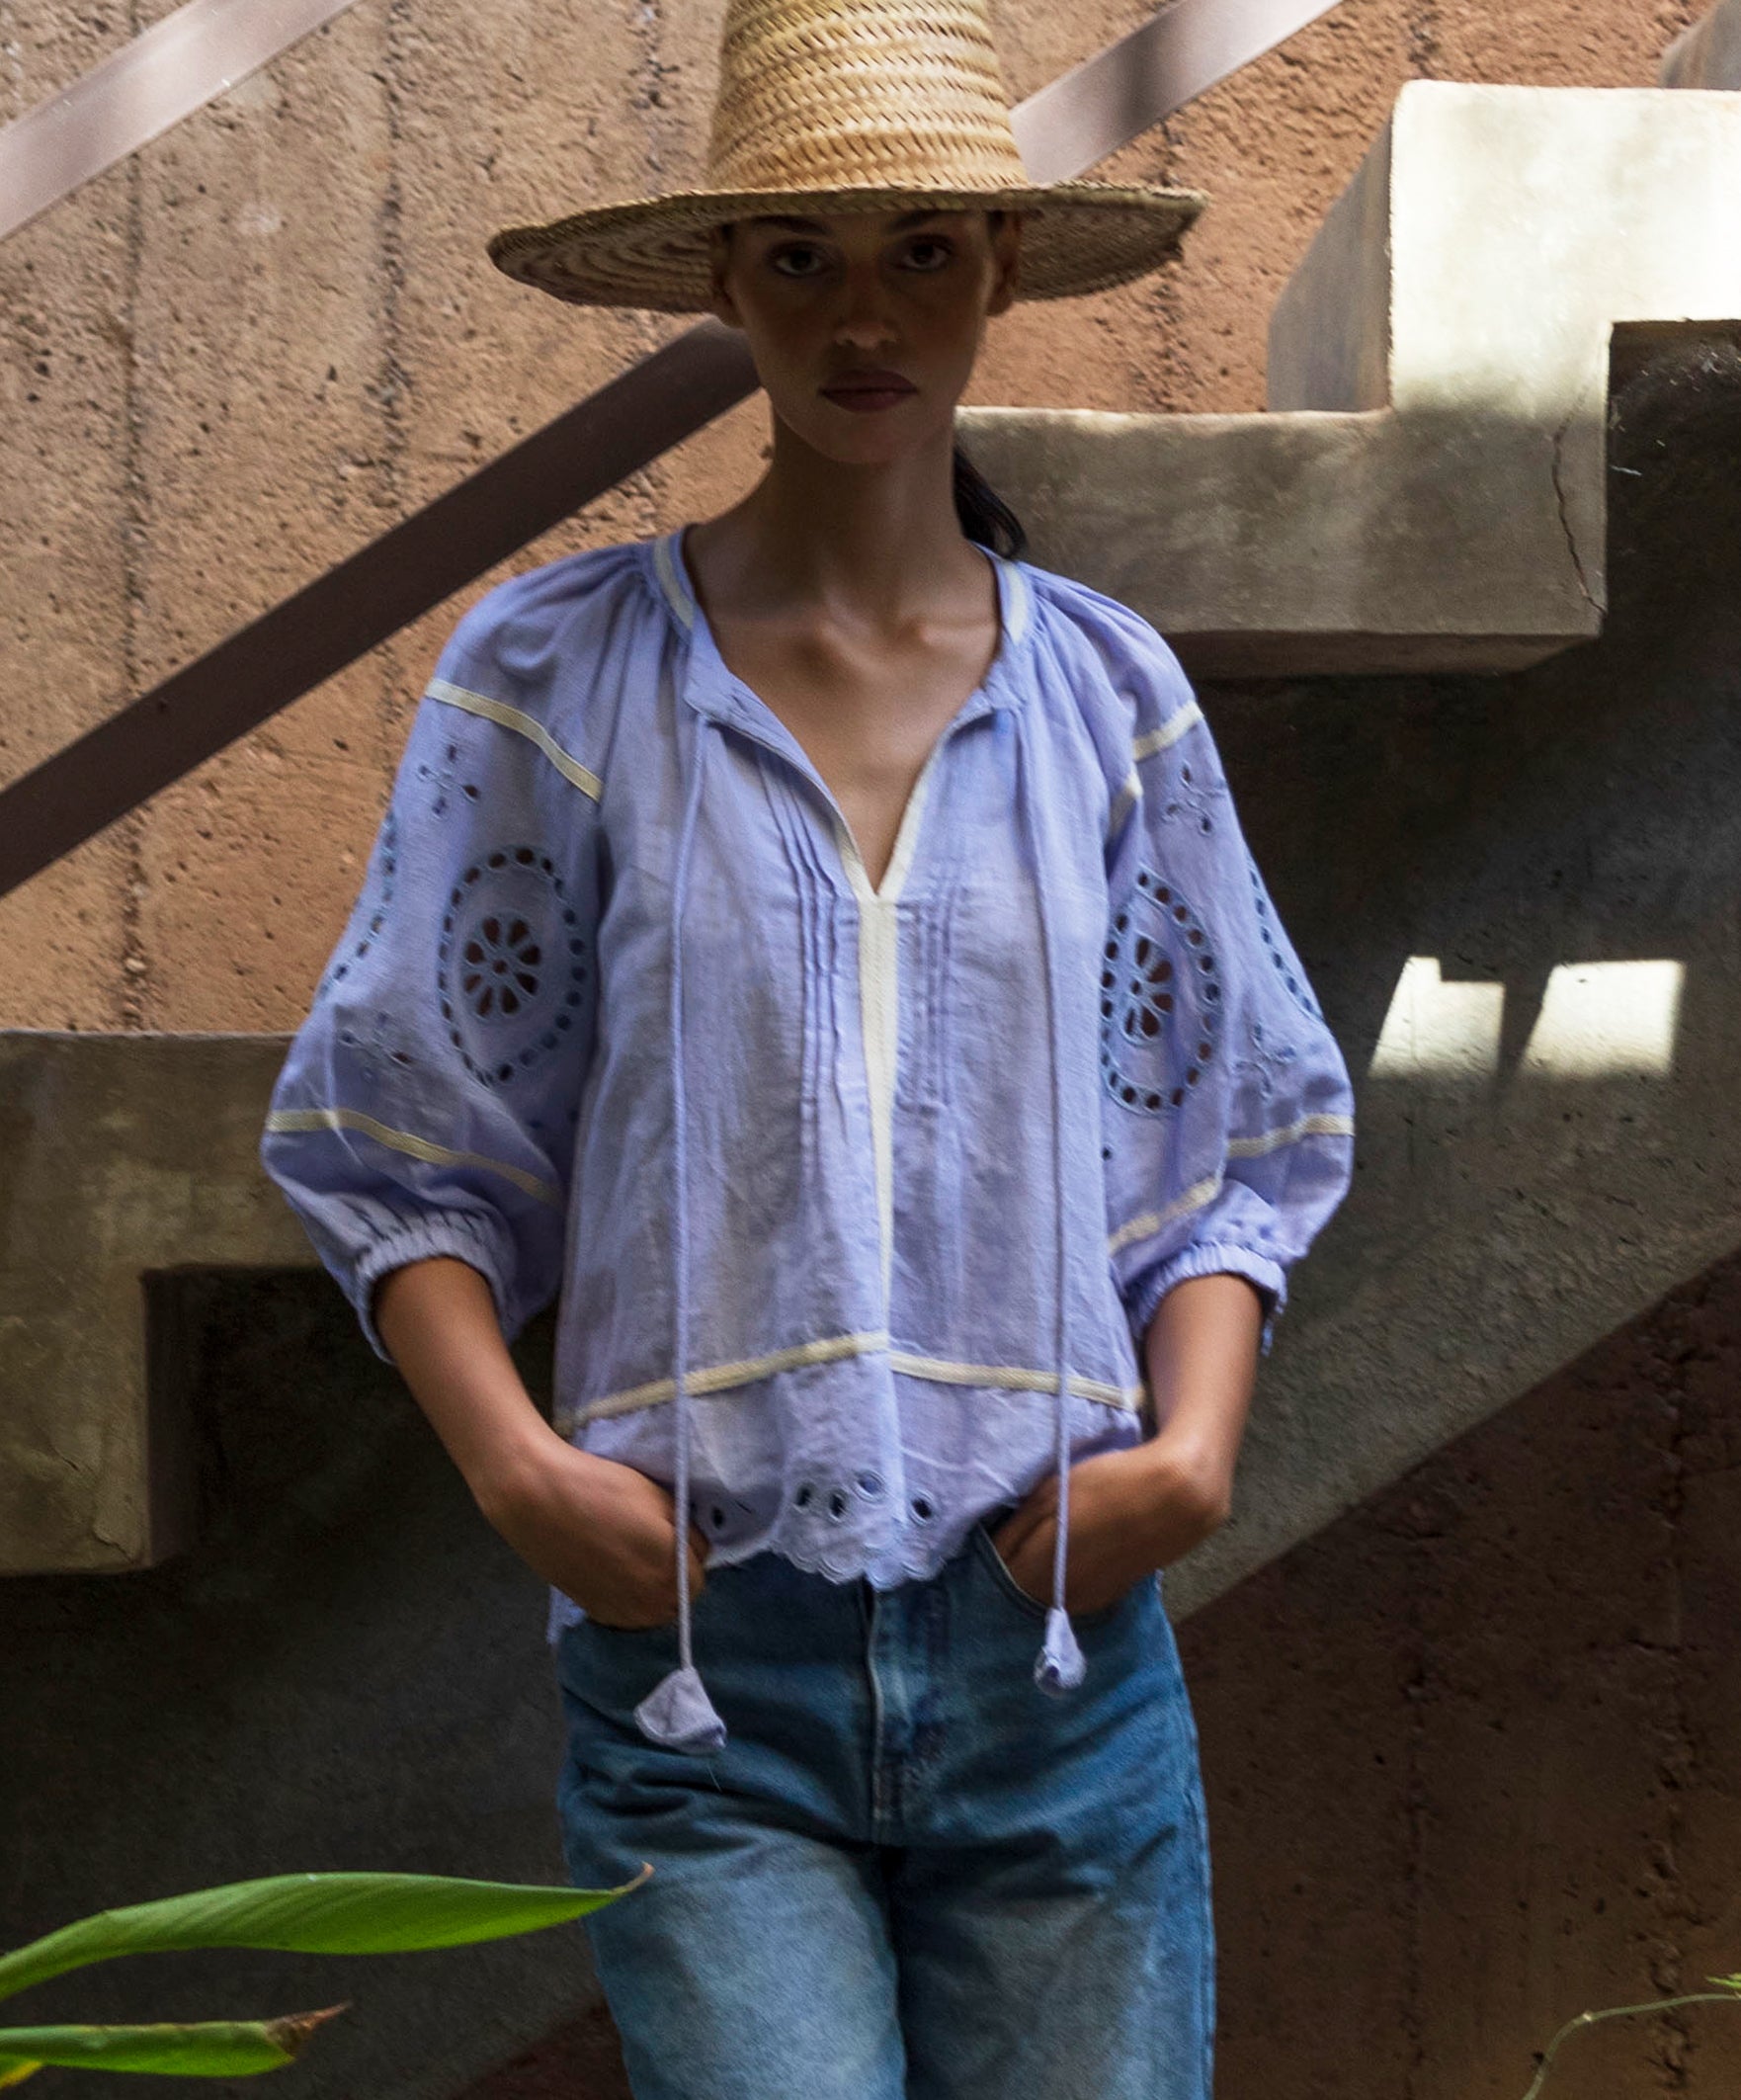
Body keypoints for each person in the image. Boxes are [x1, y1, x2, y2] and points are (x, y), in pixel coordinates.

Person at [260, 1, 1358, 2093]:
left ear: (1001, 271)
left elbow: (1237, 1125)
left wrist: (1191, 1460)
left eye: (923, 248)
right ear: (719, 281)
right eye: (798, 253)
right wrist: (515, 1474)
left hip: (1049, 1645)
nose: (864, 314)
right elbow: (394, 1129)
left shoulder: (1104, 698)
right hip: (699, 1668)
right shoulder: (554, 674)